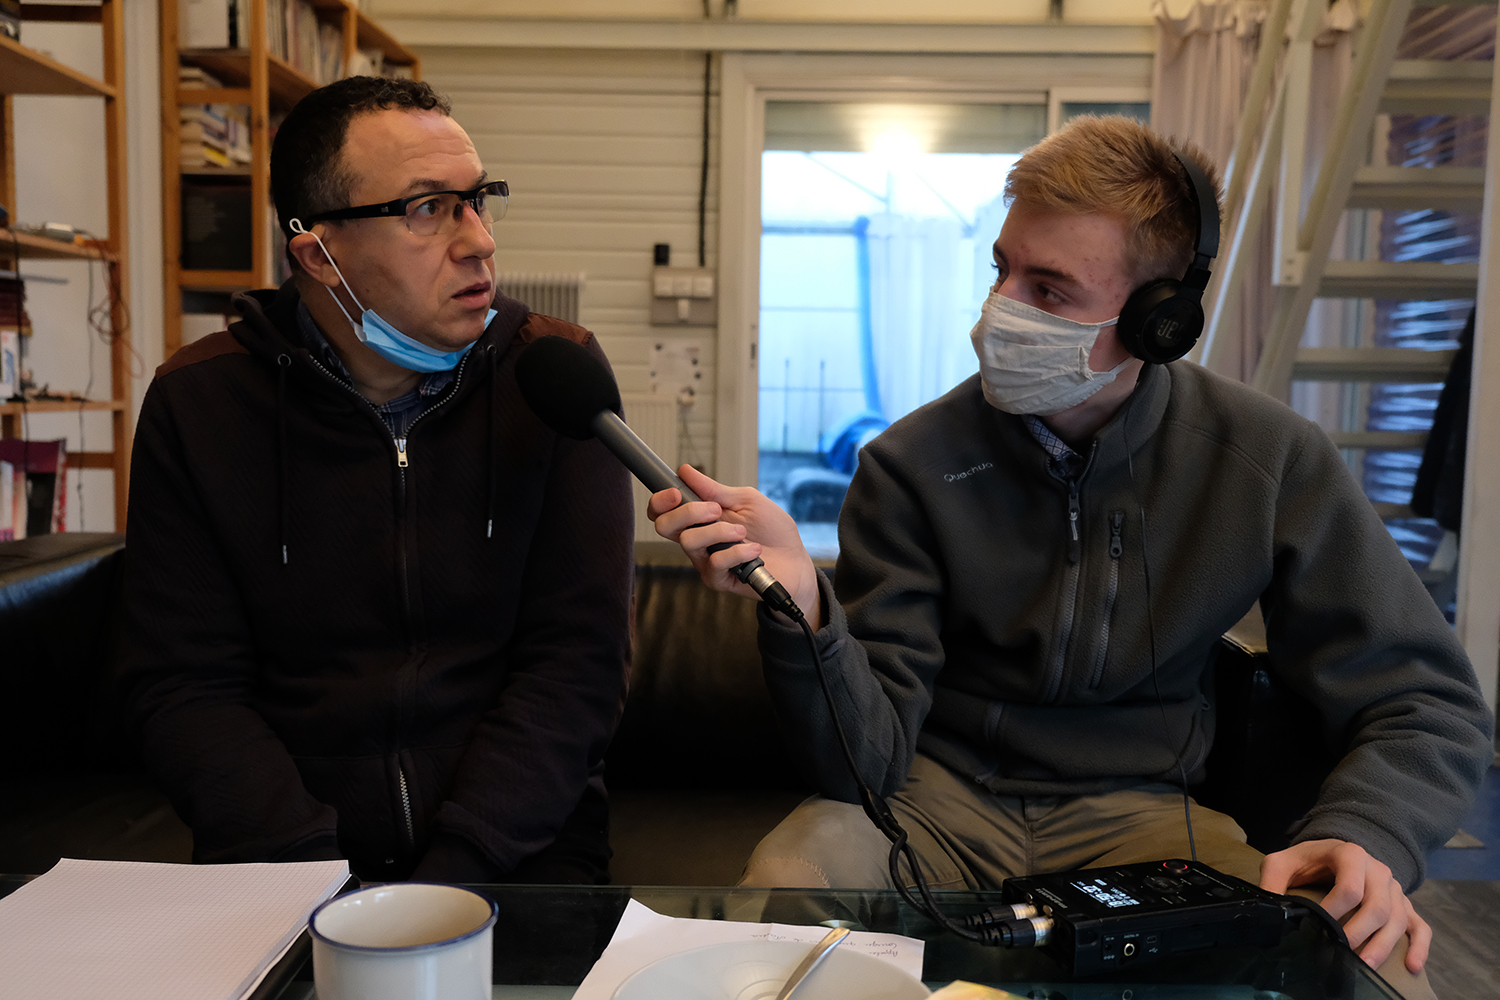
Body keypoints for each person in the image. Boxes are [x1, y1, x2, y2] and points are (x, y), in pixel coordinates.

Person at [649, 117, 1493, 996]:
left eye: (1048, 291)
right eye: (1001, 270)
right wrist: (805, 612)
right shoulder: (909, 464)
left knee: (1377, 962)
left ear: (1158, 322)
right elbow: (867, 762)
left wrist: (1368, 834)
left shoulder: (1268, 461)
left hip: (1151, 815)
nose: (1001, 310)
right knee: (787, 880)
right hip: (935, 801)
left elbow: (1426, 699)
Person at [119, 77, 634, 884]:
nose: (479, 242)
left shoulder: (550, 376)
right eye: (428, 208)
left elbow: (578, 663)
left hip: (518, 855)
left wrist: (457, 874)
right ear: (319, 253)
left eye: (479, 199)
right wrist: (304, 875)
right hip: (279, 865)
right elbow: (185, 684)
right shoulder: (200, 401)